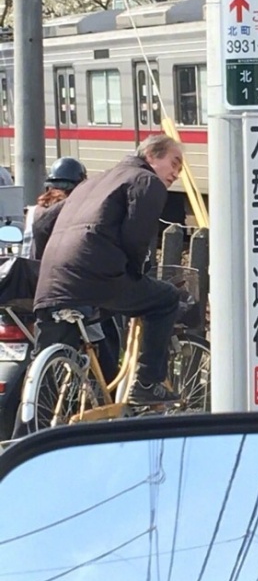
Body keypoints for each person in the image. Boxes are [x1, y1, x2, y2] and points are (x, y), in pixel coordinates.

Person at [33, 134, 184, 406]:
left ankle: (26, 435)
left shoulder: (91, 183)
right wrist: (136, 271)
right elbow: (136, 237)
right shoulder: (146, 180)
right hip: (97, 279)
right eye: (174, 163)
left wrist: (51, 263)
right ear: (151, 156)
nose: (176, 174)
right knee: (165, 299)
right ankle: (148, 382)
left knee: (46, 383)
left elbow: (41, 224)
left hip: (51, 285)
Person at [22, 156, 87, 259]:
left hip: (38, 271)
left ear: (49, 186)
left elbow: (27, 251)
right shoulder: (79, 211)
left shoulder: (34, 212)